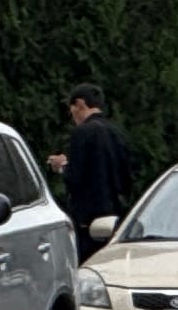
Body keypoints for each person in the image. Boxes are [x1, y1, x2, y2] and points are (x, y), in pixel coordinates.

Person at [49, 85, 134, 246]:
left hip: (88, 221)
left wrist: (62, 166)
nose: (73, 116)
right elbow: (126, 175)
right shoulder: (116, 132)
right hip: (116, 216)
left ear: (80, 104)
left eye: (72, 110)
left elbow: (75, 178)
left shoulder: (82, 132)